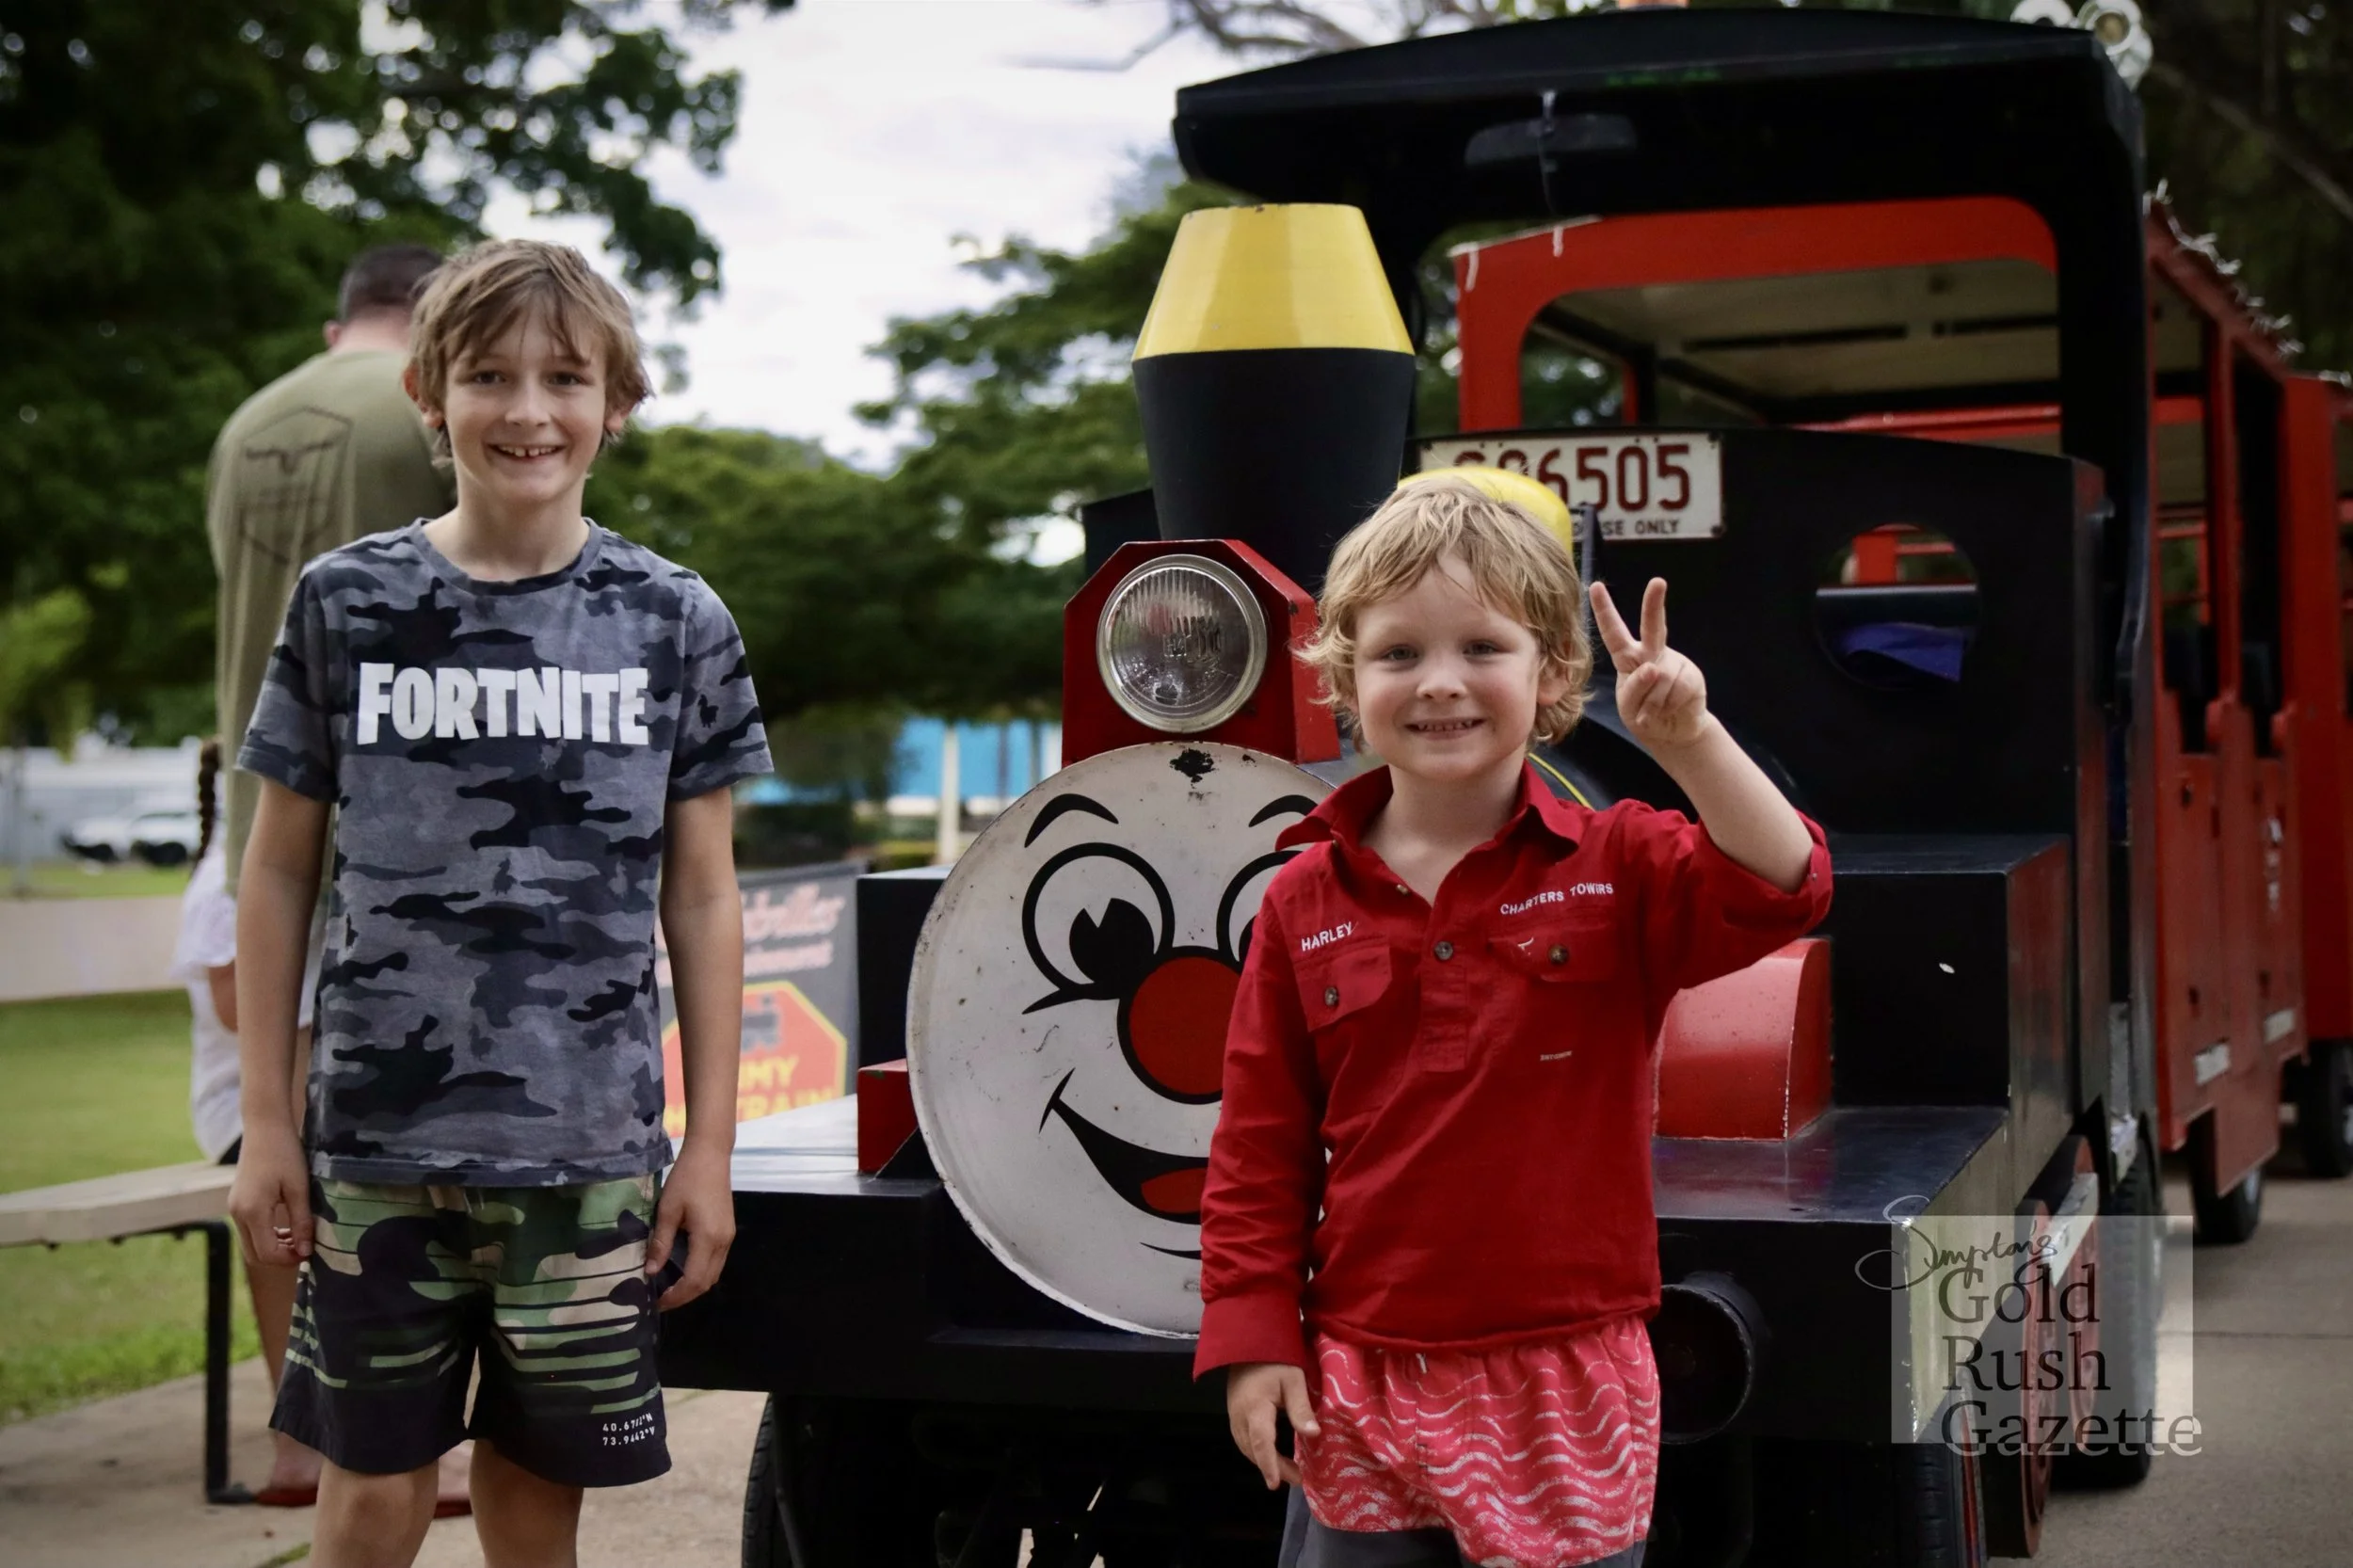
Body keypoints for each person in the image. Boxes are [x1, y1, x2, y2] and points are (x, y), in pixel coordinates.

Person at [225, 237, 771, 1568]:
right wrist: (266, 1120)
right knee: (369, 1496)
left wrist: (707, 1148)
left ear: (617, 402)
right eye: (488, 376)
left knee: (535, 1505)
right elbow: (280, 865)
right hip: (374, 1148)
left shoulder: (674, 619)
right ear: (427, 392)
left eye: (565, 378)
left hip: (586, 1159)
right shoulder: (346, 603)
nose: (528, 410)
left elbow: (704, 897)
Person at [1197, 479, 1833, 1568]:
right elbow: (1258, 1146)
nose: (1440, 681)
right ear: (1347, 679)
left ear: (1550, 674)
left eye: (1482, 647)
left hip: (1566, 1370)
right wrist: (1254, 1339)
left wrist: (1689, 740)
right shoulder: (1299, 900)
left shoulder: (1621, 862)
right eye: (1399, 653)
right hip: (1360, 1369)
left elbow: (1786, 886)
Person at [203, 241, 464, 1511]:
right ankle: (417, 1427)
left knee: (257, 1130)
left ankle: (297, 1435)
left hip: (247, 814)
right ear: (433, 332)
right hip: (401, 828)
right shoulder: (422, 411)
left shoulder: (244, 426)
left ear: (337, 324)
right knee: (400, 1127)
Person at [171, 738, 328, 1506]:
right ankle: (299, 1437)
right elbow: (239, 1010)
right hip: (246, 1112)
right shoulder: (226, 881)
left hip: (305, 1104)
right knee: (294, 1192)